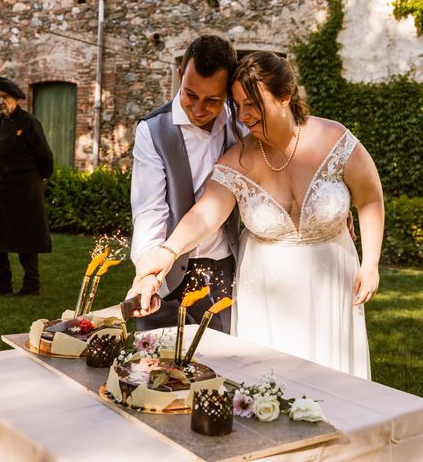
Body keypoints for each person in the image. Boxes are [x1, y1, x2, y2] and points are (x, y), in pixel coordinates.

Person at [132, 52, 384, 380]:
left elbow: (369, 199)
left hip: (333, 283)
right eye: (238, 105)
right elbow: (205, 214)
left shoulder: (334, 139)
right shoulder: (239, 158)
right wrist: (166, 252)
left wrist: (371, 264)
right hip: (267, 293)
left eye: (252, 104)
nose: (244, 115)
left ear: (285, 97)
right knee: (270, 383)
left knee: (336, 381)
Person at [128, 35, 241, 333]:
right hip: (164, 271)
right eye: (190, 94)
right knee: (151, 367)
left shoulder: (242, 125)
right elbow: (148, 208)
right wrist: (147, 272)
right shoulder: (152, 131)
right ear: (180, 75)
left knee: (224, 367)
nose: (199, 108)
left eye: (212, 100)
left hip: (222, 267)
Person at [0, 76, 54, 296]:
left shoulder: (29, 123)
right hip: (2, 187)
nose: (0, 101)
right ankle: (2, 284)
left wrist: (35, 179)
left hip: (25, 188)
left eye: (4, 97)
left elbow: (45, 156)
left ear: (15, 99)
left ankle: (31, 285)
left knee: (27, 238)